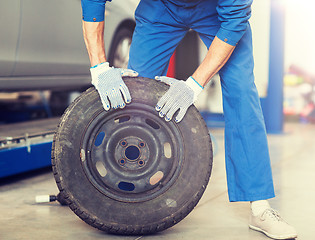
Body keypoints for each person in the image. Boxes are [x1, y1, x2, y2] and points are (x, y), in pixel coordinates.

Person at [80, 0, 297, 239]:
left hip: (216, 11)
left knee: (241, 89)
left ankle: (260, 207)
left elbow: (235, 21)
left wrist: (194, 85)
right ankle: (127, 191)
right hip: (160, 7)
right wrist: (99, 67)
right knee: (136, 94)